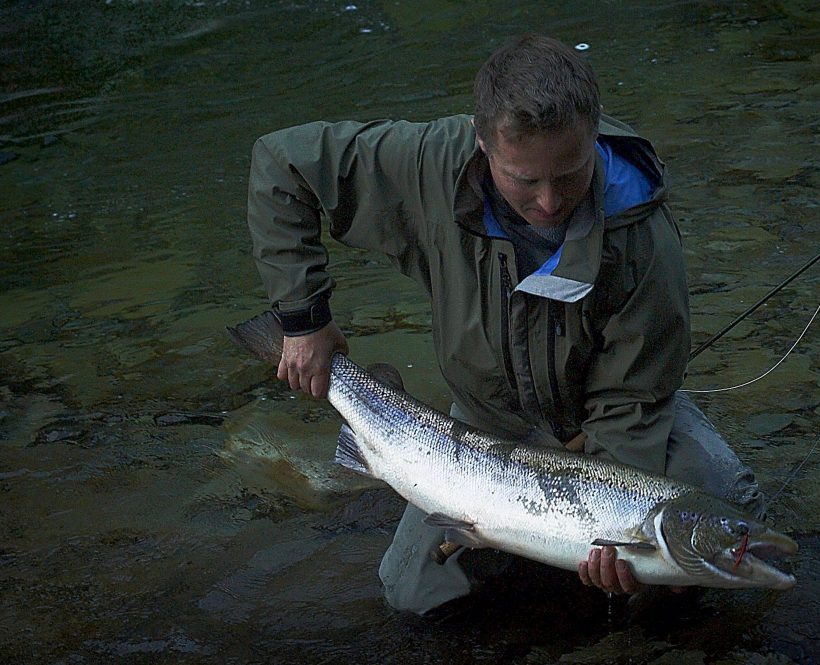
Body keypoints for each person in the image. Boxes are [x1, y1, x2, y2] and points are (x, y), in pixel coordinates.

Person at [246, 34, 764, 614]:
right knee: (415, 598)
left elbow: (632, 403)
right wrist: (303, 319)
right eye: (523, 179)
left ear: (593, 137)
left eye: (568, 175)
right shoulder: (428, 165)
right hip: (481, 428)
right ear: (482, 142)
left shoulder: (641, 236)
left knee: (698, 543)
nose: (547, 202)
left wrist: (615, 540)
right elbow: (281, 163)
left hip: (608, 416)